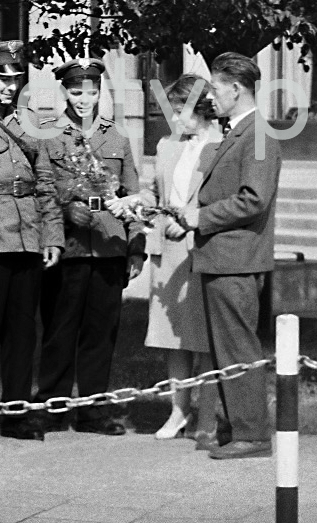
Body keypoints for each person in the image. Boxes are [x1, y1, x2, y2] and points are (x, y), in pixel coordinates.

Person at [34, 57, 145, 437]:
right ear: (63, 91)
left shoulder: (116, 138)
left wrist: (136, 247)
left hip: (110, 246)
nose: (84, 98)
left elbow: (132, 197)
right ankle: (52, 406)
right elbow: (40, 191)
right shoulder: (47, 135)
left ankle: (93, 411)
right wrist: (67, 210)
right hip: (70, 249)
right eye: (76, 91)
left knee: (101, 332)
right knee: (59, 328)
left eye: (92, 91)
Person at [180, 51, 280, 460]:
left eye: (217, 89)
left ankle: (252, 435)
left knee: (238, 348)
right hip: (224, 257)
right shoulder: (240, 131)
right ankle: (236, 426)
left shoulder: (257, 134)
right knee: (227, 348)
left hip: (236, 260)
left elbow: (253, 200)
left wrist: (199, 216)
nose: (211, 97)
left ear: (236, 89)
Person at [0, 40, 63, 441]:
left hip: (27, 237)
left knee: (23, 332)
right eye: (0, 78)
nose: (9, 86)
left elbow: (45, 183)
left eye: (15, 79)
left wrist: (53, 235)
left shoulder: (25, 124)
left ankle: (17, 412)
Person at [138, 73, 220, 441]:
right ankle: (177, 410)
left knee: (203, 337)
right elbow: (153, 198)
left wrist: (189, 223)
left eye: (179, 111)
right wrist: (137, 209)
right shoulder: (167, 145)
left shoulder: (222, 146)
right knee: (172, 338)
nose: (174, 119)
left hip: (202, 248)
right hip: (168, 250)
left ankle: (208, 414)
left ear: (200, 108)